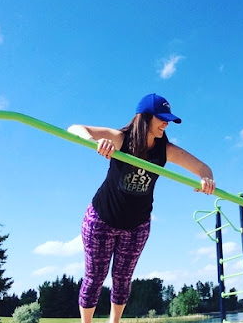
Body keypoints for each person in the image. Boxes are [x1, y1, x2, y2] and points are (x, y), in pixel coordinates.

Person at [68, 93, 216, 323]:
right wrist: (95, 142)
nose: (166, 124)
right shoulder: (121, 139)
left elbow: (203, 167)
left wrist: (207, 179)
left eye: (168, 120)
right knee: (95, 276)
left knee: (122, 279)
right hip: (101, 219)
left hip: (137, 226)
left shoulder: (165, 150)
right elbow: (74, 128)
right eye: (162, 119)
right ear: (145, 117)